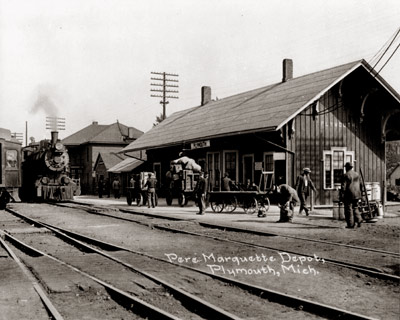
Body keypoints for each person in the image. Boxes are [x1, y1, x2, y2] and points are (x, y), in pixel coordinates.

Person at [340, 162, 362, 229]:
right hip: (357, 194)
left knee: (348, 209)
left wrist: (341, 195)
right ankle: (359, 220)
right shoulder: (357, 174)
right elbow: (360, 185)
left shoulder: (345, 175)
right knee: (355, 207)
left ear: (346, 167)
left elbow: (343, 186)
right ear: (352, 167)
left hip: (349, 194)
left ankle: (350, 224)